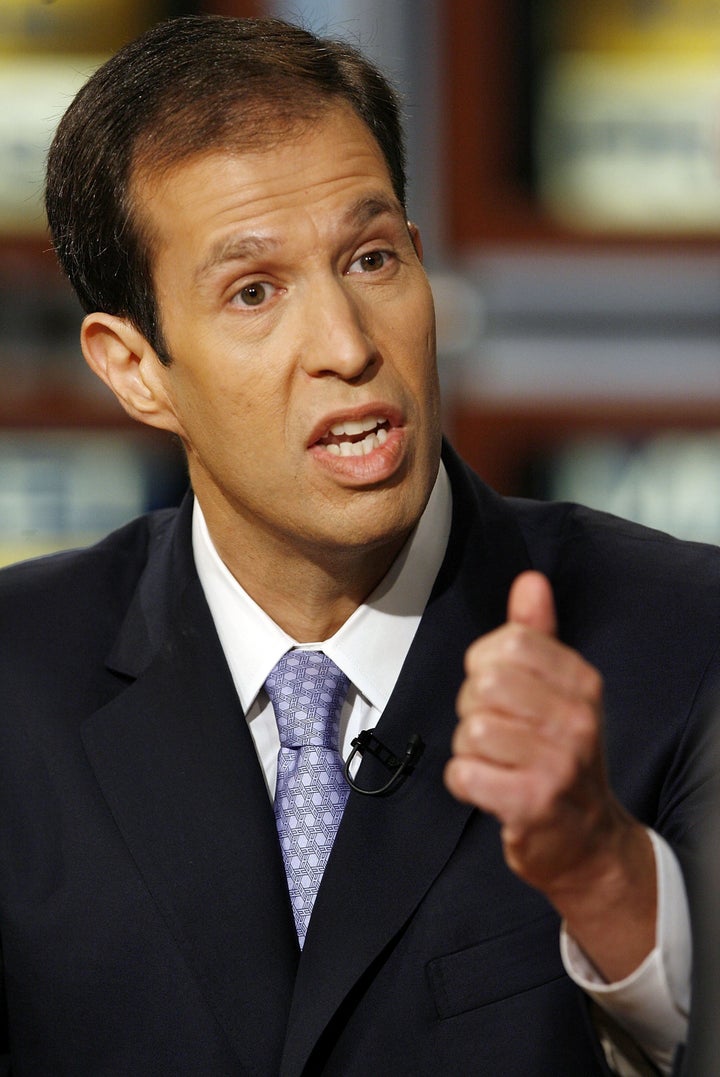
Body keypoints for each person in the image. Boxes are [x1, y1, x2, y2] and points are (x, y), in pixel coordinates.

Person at [0, 14, 717, 1076]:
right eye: (254, 291)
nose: (346, 345)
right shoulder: (15, 679)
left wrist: (604, 874)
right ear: (134, 367)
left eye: (372, 259)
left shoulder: (689, 639)